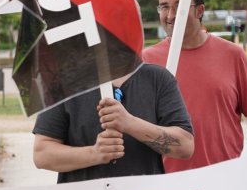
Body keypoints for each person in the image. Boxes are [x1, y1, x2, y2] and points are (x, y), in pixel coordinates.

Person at [143, 0, 247, 171]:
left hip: (224, 180)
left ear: (200, 11)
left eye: (180, 6)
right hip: (167, 186)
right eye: (164, 7)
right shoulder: (146, 62)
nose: (170, 15)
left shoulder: (233, 55)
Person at [32, 63, 195, 183]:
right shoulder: (62, 82)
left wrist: (130, 123)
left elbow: (185, 146)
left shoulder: (158, 79)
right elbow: (42, 154)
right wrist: (94, 154)